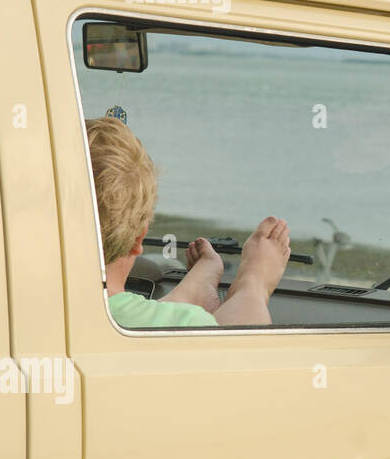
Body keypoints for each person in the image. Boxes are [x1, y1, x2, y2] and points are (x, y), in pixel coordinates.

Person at [85, 116, 291, 327]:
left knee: (148, 314)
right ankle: (251, 284)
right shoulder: (189, 324)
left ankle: (193, 290)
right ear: (138, 240)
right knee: (237, 318)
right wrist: (255, 283)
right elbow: (243, 355)